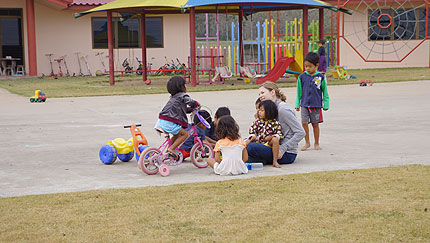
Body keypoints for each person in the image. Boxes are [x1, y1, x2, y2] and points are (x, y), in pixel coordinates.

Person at [246, 82, 305, 165]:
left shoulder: (283, 109)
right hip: (269, 146)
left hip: (286, 153)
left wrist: (283, 148)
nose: (260, 96)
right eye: (259, 94)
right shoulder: (269, 109)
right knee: (245, 144)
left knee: (251, 147)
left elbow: (300, 132)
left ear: (272, 92)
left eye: (263, 93)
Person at [155, 76, 200, 160]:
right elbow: (190, 102)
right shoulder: (182, 96)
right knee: (185, 134)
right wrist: (197, 104)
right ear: (182, 87)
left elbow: (180, 110)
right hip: (168, 121)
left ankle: (169, 150)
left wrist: (190, 110)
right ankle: (171, 149)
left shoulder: (174, 97)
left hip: (162, 120)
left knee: (177, 134)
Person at [295, 52, 329, 151]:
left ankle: (316, 143)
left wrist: (326, 104)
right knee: (304, 123)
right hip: (304, 105)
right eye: (306, 66)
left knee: (315, 124)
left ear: (316, 65)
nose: (307, 68)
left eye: (310, 66)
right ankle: (307, 143)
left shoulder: (320, 77)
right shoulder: (301, 77)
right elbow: (299, 92)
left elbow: (325, 91)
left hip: (316, 105)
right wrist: (297, 104)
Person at [248, 100, 283, 168]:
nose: (259, 112)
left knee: (275, 139)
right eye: (259, 110)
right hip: (258, 143)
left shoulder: (275, 123)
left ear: (269, 111)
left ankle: (275, 161)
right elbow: (252, 131)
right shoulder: (257, 122)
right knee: (247, 142)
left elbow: (280, 134)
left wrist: (271, 137)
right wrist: (253, 136)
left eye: (262, 110)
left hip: (268, 145)